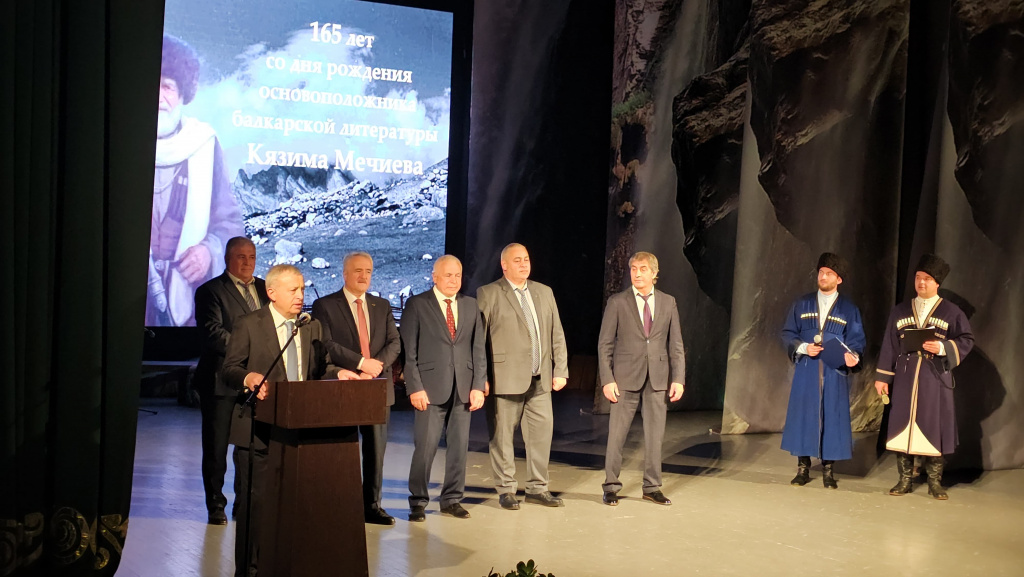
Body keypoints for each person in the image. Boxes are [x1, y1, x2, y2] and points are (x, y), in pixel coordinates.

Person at [221, 264, 343, 576]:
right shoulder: (249, 324)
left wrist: (340, 373)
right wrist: (248, 377)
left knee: (294, 506)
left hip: (300, 432)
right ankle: (248, 570)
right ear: (272, 293)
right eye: (293, 290)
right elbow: (230, 368)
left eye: (302, 289)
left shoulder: (310, 326)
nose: (300, 295)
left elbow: (320, 368)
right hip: (257, 430)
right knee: (256, 506)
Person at [146, 34, 243, 326]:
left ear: (182, 93)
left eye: (167, 86)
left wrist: (209, 252)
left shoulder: (203, 145)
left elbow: (229, 224)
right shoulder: (118, 140)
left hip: (187, 309)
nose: (159, 97)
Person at [311, 252, 401, 526]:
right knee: (342, 450)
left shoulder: (381, 305)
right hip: (344, 386)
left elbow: (394, 342)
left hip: (376, 388)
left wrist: (374, 367)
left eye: (368, 271)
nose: (364, 276)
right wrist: (361, 364)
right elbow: (327, 344)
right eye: (358, 271)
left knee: (376, 452)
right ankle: (339, 504)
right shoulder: (325, 305)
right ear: (345, 274)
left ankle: (372, 506)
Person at [477, 243, 569, 510]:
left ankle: (538, 488)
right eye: (517, 260)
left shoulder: (544, 292)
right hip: (504, 379)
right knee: (502, 437)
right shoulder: (489, 293)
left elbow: (557, 333)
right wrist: (480, 377)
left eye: (526, 259)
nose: (523, 264)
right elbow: (478, 341)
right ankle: (506, 489)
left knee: (541, 435)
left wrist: (561, 369)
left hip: (540, 378)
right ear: (504, 265)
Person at [874, 254, 974, 500]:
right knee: (903, 426)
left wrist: (942, 347)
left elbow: (966, 340)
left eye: (927, 279)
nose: (921, 283)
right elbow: (889, 345)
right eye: (918, 277)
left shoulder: (951, 312)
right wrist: (883, 377)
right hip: (905, 377)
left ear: (937, 283)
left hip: (934, 377)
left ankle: (934, 482)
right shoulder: (900, 311)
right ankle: (904, 480)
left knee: (934, 426)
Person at [400, 255, 486, 521]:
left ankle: (452, 499)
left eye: (458, 275)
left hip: (463, 388)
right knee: (425, 448)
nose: (453, 280)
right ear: (434, 277)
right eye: (448, 275)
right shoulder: (417, 304)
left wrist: (478, 385)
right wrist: (415, 387)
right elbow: (409, 352)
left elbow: (478, 349)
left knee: (459, 448)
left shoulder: (471, 305)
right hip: (429, 389)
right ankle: (418, 501)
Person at [598, 252, 685, 506]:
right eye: (634, 269)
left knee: (655, 436)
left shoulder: (668, 302)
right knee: (617, 435)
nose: (637, 273)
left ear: (654, 273)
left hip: (657, 377)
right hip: (625, 378)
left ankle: (652, 486)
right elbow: (605, 344)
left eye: (643, 269)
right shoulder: (618, 302)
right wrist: (607, 379)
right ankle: (611, 486)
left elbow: (676, 344)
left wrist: (678, 378)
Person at [194, 236, 269, 525]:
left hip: (256, 382)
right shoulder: (210, 291)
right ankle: (215, 504)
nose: (248, 262)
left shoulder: (265, 288)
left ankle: (243, 502)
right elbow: (213, 333)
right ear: (227, 259)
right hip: (220, 382)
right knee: (216, 448)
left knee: (248, 446)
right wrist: (249, 350)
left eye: (252, 256)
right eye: (241, 256)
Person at [780, 253, 866, 489]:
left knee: (832, 416)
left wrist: (853, 356)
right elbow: (788, 333)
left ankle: (828, 469)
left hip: (833, 371)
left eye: (829, 274)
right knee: (804, 415)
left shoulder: (849, 309)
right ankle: (803, 468)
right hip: (807, 369)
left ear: (839, 279)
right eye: (821, 273)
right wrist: (803, 347)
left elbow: (856, 340)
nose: (824, 277)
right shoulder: (802, 304)